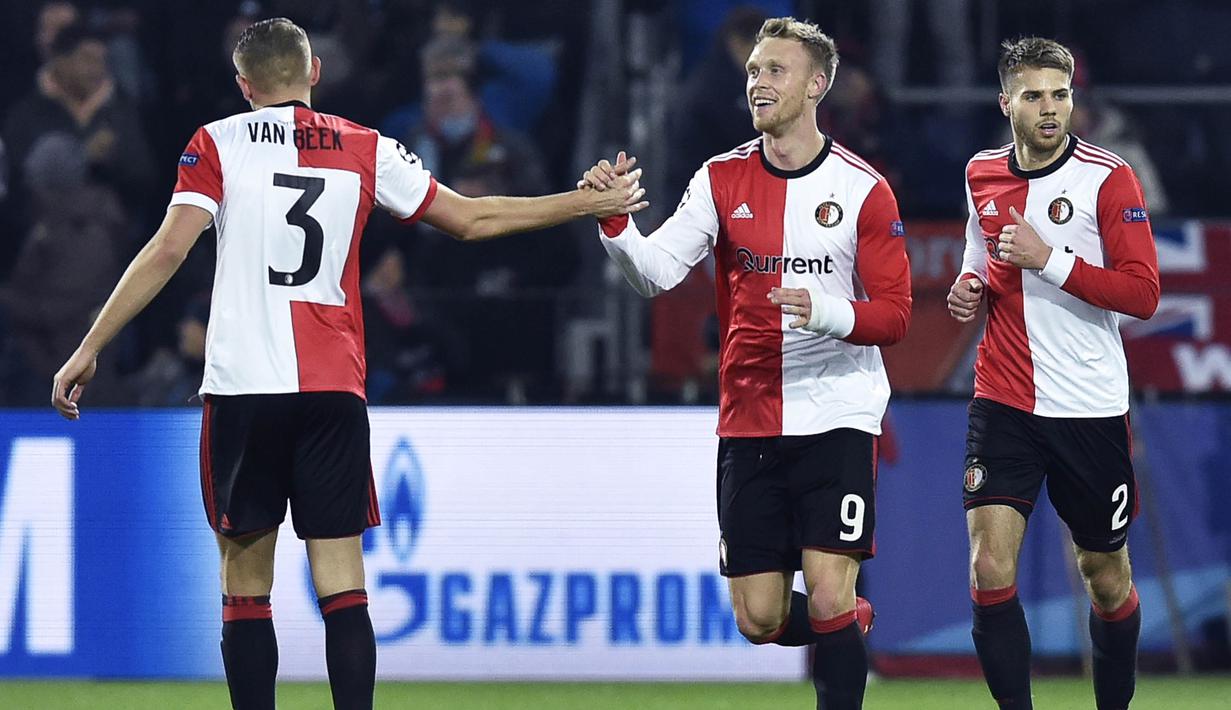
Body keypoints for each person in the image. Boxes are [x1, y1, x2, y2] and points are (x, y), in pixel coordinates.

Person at [50, 17, 643, 710]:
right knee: (341, 580)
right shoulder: (366, 146)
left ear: (244, 87)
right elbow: (472, 219)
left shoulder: (215, 142)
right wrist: (583, 201)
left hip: (245, 387)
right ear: (314, 76)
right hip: (333, 388)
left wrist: (90, 345)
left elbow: (166, 251)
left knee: (246, 583)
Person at [582, 17, 911, 709]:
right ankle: (844, 627)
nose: (758, 82)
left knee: (826, 590)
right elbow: (655, 275)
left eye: (776, 71)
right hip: (751, 419)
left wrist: (822, 310)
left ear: (816, 84)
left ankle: (837, 620)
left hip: (837, 413)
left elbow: (894, 315)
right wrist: (615, 224)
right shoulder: (719, 176)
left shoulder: (862, 189)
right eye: (754, 69)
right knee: (758, 617)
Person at [947, 37, 1160, 710]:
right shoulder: (980, 171)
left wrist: (1050, 259)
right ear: (1005, 101)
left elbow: (1142, 293)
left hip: (1089, 405)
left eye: (1059, 94)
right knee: (987, 564)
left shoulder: (1108, 177)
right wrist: (967, 282)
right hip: (1003, 397)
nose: (1049, 109)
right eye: (1034, 95)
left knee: (1104, 576)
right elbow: (978, 246)